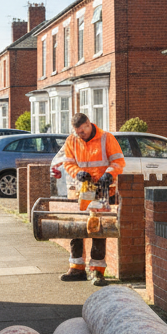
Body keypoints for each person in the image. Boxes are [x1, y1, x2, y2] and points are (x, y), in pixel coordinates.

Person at [60, 112, 125, 286]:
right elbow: (68, 162)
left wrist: (109, 175)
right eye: (77, 132)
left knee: (97, 230)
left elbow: (118, 162)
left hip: (102, 191)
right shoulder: (72, 140)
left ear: (89, 124)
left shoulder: (106, 138)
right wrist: (77, 172)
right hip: (82, 192)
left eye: (83, 131)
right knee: (76, 228)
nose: (80, 135)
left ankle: (97, 271)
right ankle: (76, 268)